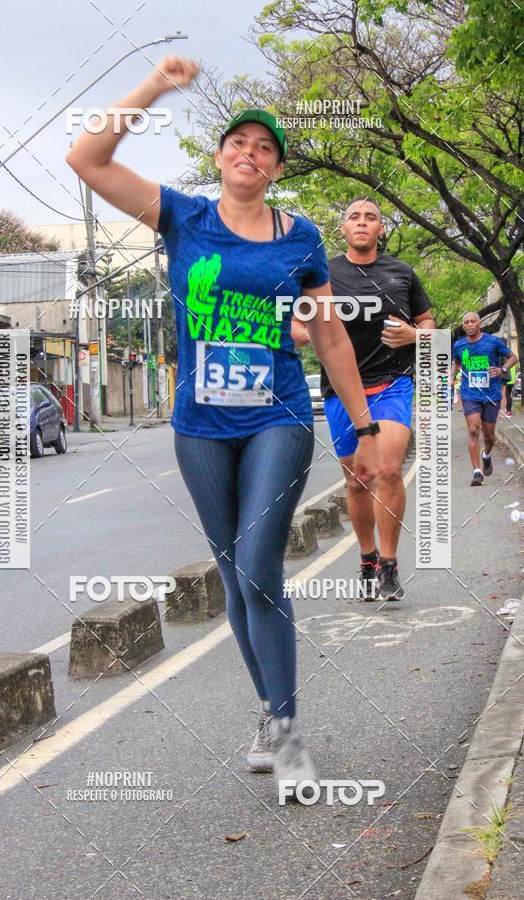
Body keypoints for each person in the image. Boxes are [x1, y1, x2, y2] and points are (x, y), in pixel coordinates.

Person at [66, 56, 381, 797]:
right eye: (238, 142)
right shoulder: (184, 216)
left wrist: (362, 429)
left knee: (259, 569)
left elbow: (329, 336)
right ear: (219, 157)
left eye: (265, 146)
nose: (250, 152)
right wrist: (153, 88)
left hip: (277, 415)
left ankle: (291, 735)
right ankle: (271, 716)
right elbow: (86, 157)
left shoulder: (300, 238)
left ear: (275, 167)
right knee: (237, 580)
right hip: (200, 425)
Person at [292, 198, 435, 600]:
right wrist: (315, 333)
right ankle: (368, 558)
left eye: (371, 217)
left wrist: (414, 336)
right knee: (358, 480)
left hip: (392, 383)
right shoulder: (324, 274)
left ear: (380, 230)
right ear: (343, 229)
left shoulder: (401, 273)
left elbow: (426, 323)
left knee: (388, 470)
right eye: (354, 216)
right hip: (341, 389)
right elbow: (297, 324)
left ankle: (389, 566)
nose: (362, 222)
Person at [452, 313, 517, 485]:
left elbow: (513, 357)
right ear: (464, 326)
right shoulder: (459, 345)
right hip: (470, 393)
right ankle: (477, 472)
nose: (470, 324)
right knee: (473, 429)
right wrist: (451, 377)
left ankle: (486, 455)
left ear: (479, 324)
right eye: (466, 322)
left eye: (473, 321)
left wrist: (502, 370)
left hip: (491, 394)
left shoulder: (493, 342)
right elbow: (457, 362)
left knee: (489, 436)